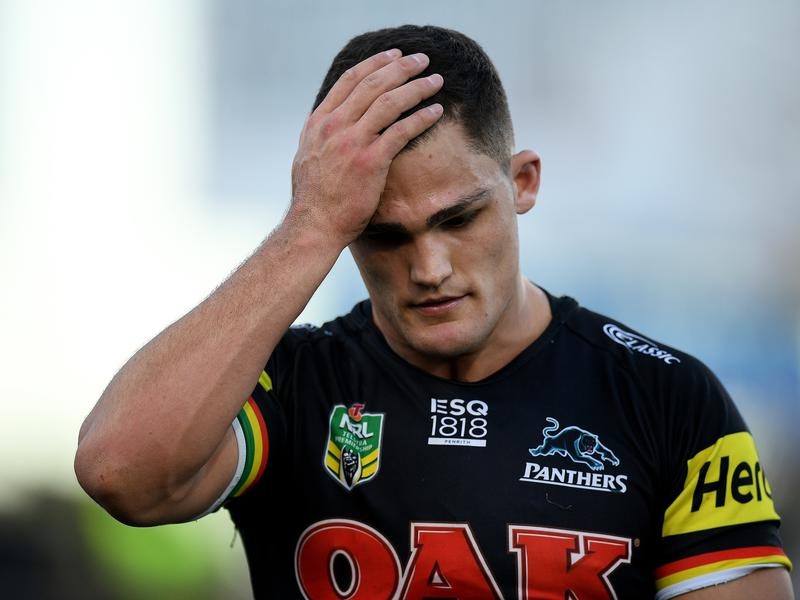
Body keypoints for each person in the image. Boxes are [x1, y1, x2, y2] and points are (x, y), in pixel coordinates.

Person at [74, 24, 794, 599]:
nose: (430, 269)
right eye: (383, 235)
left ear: (523, 182)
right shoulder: (291, 386)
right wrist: (310, 225)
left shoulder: (667, 398)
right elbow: (119, 473)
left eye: (459, 218)